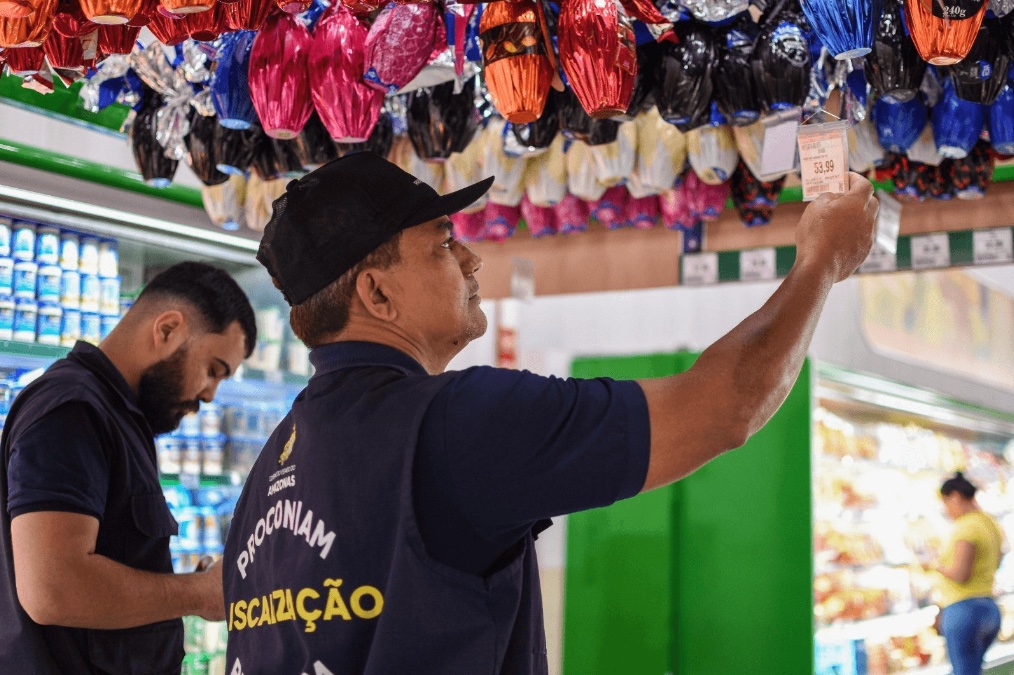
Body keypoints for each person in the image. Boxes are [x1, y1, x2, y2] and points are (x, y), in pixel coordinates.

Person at [223, 152, 878, 675]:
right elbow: (722, 408)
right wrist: (820, 262)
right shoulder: (459, 421)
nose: (471, 258)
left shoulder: (274, 462)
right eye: (442, 244)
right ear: (376, 291)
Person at [0, 261, 256, 674]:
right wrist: (196, 593)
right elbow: (53, 589)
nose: (210, 394)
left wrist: (181, 580)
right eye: (213, 370)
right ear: (168, 329)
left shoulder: (119, 418)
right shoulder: (74, 409)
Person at [927, 472, 1005, 675]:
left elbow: (960, 573)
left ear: (954, 497)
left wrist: (935, 565)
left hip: (964, 610)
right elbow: (997, 561)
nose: (946, 510)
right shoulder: (990, 524)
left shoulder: (966, 527)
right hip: (989, 608)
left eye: (945, 503)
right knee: (971, 669)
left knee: (964, 671)